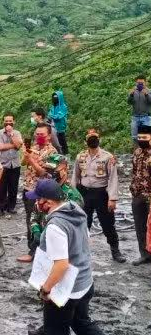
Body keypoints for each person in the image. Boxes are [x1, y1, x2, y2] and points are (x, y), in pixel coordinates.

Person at [26, 179, 135, 335]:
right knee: (82, 324)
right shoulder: (75, 209)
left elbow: (61, 265)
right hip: (85, 282)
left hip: (67, 290)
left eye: (38, 200)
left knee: (55, 330)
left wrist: (46, 289)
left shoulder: (56, 227)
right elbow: (86, 242)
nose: (36, 204)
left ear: (46, 202)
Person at [26, 154, 83, 335]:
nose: (50, 175)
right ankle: (48, 325)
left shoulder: (72, 196)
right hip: (46, 246)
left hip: (64, 250)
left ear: (65, 170)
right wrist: (36, 231)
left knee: (60, 290)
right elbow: (35, 213)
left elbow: (79, 227)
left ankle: (62, 330)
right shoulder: (45, 188)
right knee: (45, 287)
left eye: (54, 171)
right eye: (48, 171)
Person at [71, 129, 126, 263]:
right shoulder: (81, 156)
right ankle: (81, 252)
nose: (92, 139)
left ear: (99, 139)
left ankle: (115, 250)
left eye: (94, 137)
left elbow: (113, 178)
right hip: (84, 193)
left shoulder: (107, 157)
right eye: (90, 137)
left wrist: (112, 199)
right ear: (86, 141)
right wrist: (73, 195)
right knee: (83, 223)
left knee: (107, 224)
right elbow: (75, 175)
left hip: (101, 194)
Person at [18, 123, 58, 263]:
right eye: (37, 134)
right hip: (28, 189)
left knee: (43, 221)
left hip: (42, 193)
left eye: (41, 134)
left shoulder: (53, 152)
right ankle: (32, 250)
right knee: (30, 220)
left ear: (49, 136)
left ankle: (42, 251)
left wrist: (32, 161)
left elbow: (46, 173)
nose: (38, 137)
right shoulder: (33, 148)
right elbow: (23, 163)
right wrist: (26, 155)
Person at [130, 125, 151, 265]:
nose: (141, 140)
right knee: (140, 226)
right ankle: (144, 255)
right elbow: (134, 171)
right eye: (139, 138)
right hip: (138, 195)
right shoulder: (137, 152)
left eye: (145, 137)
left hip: (150, 195)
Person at [0, 113, 23, 217]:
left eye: (10, 121)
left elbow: (19, 146)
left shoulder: (17, 133)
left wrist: (11, 134)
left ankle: (11, 207)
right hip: (2, 164)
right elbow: (0, 147)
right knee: (1, 187)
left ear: (13, 122)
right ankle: (0, 208)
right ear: (3, 122)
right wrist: (13, 145)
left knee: (13, 187)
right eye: (6, 121)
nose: (8, 123)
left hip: (15, 164)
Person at [128, 75, 151, 141]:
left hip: (146, 117)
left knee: (146, 137)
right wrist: (131, 95)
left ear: (145, 82)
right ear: (136, 83)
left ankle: (146, 151)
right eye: (138, 83)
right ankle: (137, 150)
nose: (140, 84)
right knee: (134, 137)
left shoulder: (149, 91)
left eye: (142, 83)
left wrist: (147, 94)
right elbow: (129, 102)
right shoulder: (133, 91)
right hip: (135, 117)